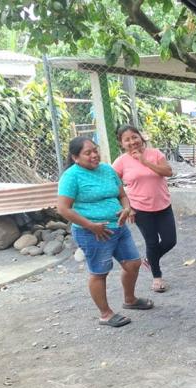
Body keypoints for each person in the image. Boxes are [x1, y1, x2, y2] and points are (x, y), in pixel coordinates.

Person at [57, 137, 153, 327]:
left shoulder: (107, 170)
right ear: (75, 157)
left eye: (95, 150)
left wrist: (126, 209)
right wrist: (91, 226)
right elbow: (63, 208)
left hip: (118, 227)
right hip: (94, 232)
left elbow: (123, 196)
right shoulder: (71, 176)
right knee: (99, 272)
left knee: (133, 263)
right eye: (88, 153)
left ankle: (130, 299)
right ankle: (105, 314)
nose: (94, 155)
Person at [113, 125, 176, 293]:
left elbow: (168, 172)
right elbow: (113, 185)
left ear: (141, 137)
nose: (132, 142)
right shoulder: (120, 162)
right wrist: (127, 207)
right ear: (121, 143)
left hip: (163, 205)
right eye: (127, 140)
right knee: (152, 242)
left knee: (170, 240)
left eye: (135, 137)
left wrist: (145, 161)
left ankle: (150, 259)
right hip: (139, 209)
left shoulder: (155, 154)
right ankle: (157, 277)